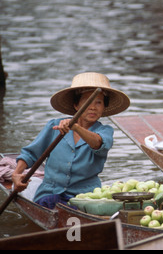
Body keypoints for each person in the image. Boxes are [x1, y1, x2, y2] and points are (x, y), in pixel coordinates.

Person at [11, 72, 130, 209]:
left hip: (85, 196)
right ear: (76, 105)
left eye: (99, 102)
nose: (93, 107)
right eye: (87, 102)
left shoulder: (105, 131)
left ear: (103, 108)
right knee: (48, 203)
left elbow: (98, 143)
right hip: (50, 193)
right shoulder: (54, 126)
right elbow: (30, 154)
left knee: (80, 212)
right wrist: (16, 174)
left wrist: (76, 128)